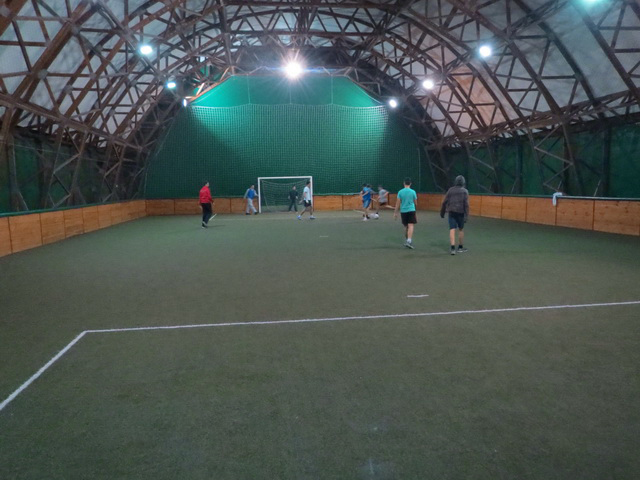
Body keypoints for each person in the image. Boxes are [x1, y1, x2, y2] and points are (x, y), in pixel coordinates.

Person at [440, 175, 469, 255]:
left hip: (451, 212)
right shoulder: (465, 191)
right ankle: (460, 247)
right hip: (461, 212)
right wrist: (466, 216)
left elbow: (444, 202)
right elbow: (466, 205)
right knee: (461, 229)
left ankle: (452, 248)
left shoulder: (450, 190)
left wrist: (442, 212)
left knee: (452, 229)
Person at [393, 177, 418, 249]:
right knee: (411, 225)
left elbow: (397, 203)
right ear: (410, 183)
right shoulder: (413, 192)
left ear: (404, 183)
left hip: (403, 211)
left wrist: (395, 213)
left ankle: (407, 240)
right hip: (411, 210)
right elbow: (416, 202)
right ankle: (409, 241)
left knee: (406, 226)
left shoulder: (400, 192)